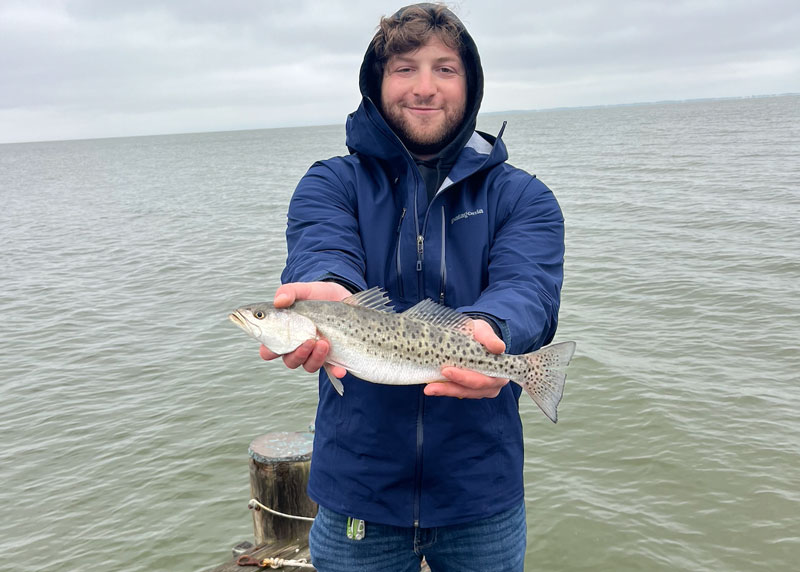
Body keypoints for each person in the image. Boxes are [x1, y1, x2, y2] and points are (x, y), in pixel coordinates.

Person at [259, 3, 565, 571]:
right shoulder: (331, 183)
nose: (424, 88)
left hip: (481, 492)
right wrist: (329, 289)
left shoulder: (523, 196)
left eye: (445, 69)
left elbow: (530, 289)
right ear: (376, 84)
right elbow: (323, 251)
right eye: (404, 68)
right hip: (358, 489)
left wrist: (493, 331)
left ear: (470, 84)